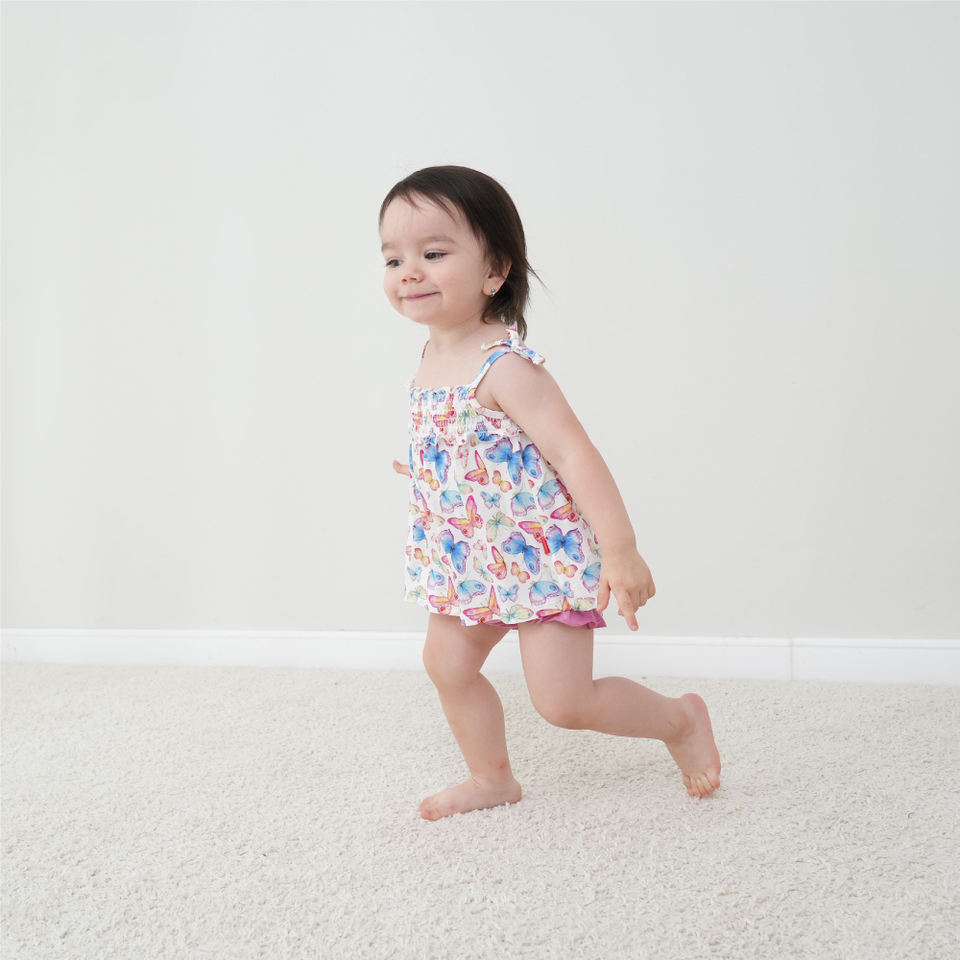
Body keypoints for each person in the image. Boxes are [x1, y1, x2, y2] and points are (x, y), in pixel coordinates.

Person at [381, 165, 721, 821]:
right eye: (394, 258)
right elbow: (478, 447)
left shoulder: (505, 364)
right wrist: (431, 472)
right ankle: (491, 779)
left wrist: (621, 551)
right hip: (465, 553)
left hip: (540, 553)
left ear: (494, 271)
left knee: (564, 702)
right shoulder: (429, 358)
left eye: (434, 253)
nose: (409, 271)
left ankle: (679, 720)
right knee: (446, 665)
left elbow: (572, 453)